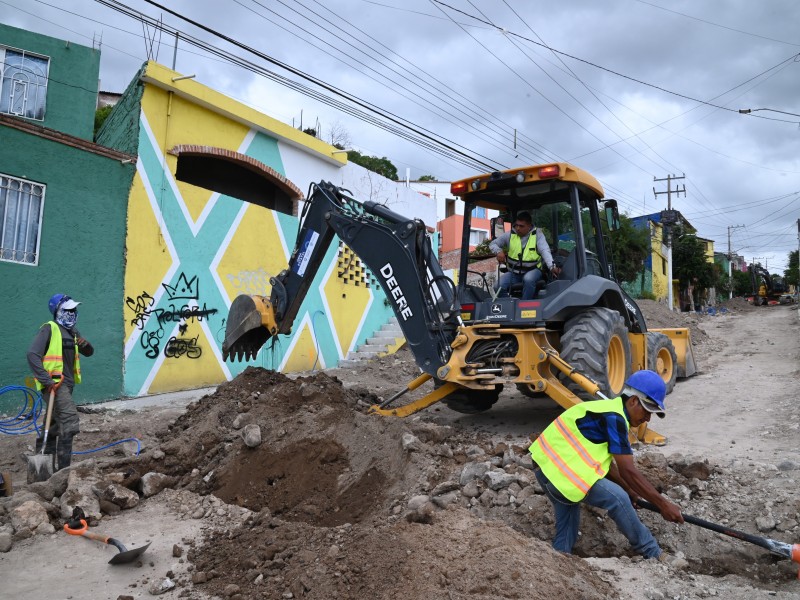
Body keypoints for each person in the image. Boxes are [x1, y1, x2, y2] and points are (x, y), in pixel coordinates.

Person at [529, 370, 684, 561]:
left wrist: (629, 489)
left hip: (546, 469)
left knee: (567, 526)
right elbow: (628, 471)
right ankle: (653, 553)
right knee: (617, 499)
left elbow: (605, 463)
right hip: (563, 473)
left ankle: (559, 562)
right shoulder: (615, 418)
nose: (648, 418)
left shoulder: (606, 409)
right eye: (647, 410)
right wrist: (663, 505)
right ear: (634, 401)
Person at [27, 294, 94, 471]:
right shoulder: (49, 329)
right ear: (58, 311)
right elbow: (32, 355)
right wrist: (46, 381)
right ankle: (63, 471)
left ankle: (44, 468)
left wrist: (85, 345)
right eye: (68, 310)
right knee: (69, 421)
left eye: (74, 310)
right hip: (54, 386)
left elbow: (89, 352)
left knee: (53, 424)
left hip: (67, 385)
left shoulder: (73, 331)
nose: (72, 313)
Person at [488, 211, 559, 299]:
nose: (518, 228)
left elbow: (545, 250)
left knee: (528, 279)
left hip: (533, 271)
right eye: (517, 225)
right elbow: (492, 244)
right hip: (514, 273)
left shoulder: (538, 235)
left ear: (529, 226)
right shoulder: (510, 234)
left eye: (521, 226)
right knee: (497, 286)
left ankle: (524, 306)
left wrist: (552, 267)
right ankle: (511, 305)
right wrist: (498, 251)